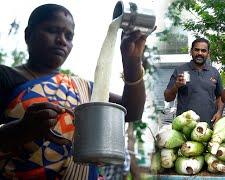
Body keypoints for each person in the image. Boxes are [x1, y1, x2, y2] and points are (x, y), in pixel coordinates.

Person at [0, 4, 147, 179]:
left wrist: (132, 62)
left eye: (68, 36)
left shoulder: (80, 88)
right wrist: (20, 130)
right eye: (52, 30)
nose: (62, 40)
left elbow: (132, 111)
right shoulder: (5, 77)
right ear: (28, 34)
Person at [164, 38, 224, 125]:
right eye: (196, 50)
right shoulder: (180, 70)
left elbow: (220, 97)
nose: (199, 53)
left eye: (203, 51)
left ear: (208, 53)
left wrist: (219, 113)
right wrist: (176, 86)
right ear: (191, 51)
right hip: (184, 126)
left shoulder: (214, 72)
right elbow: (167, 98)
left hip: (208, 126)